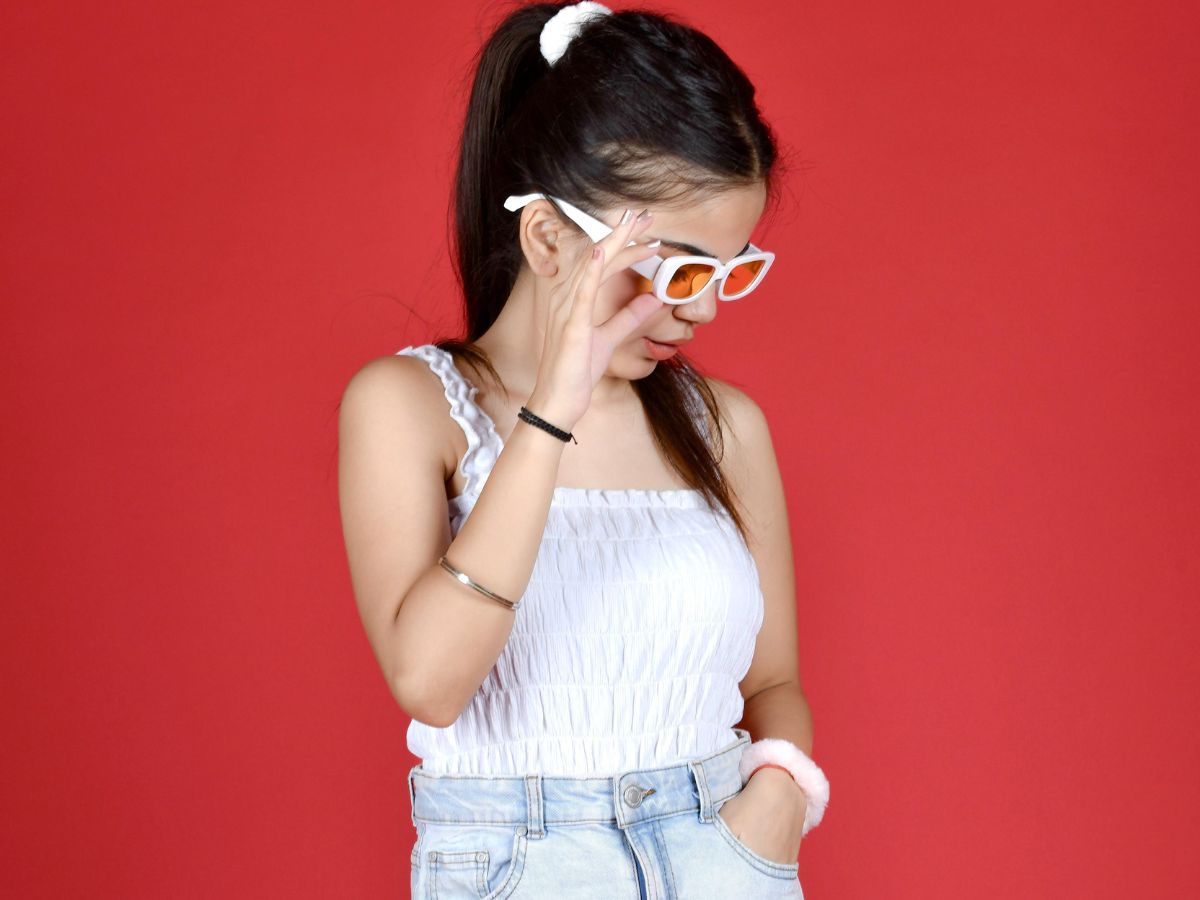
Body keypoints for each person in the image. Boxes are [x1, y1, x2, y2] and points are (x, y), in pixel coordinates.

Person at [337, 2, 830, 896]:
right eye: (681, 271)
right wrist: (551, 415)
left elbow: (777, 680)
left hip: (725, 856)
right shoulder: (409, 407)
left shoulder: (726, 427)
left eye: (731, 273)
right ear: (551, 236)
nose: (704, 309)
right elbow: (431, 683)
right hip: (522, 864)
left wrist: (779, 800)